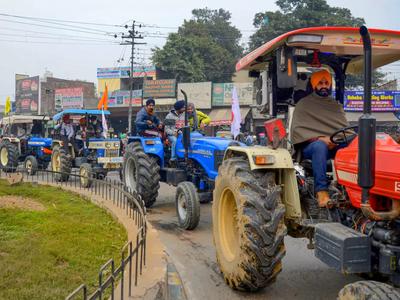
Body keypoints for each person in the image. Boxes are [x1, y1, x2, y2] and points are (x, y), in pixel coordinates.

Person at [291, 69, 353, 207]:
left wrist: (336, 141)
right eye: (320, 83)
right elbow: (299, 132)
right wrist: (320, 138)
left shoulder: (335, 105)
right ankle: (322, 192)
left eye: (326, 83)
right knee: (320, 146)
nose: (324, 86)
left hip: (335, 144)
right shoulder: (303, 104)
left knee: (354, 145)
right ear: (314, 85)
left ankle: (350, 189)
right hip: (311, 147)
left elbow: (344, 131)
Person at [165, 100, 186, 167]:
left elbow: (187, 125)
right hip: (172, 135)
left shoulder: (185, 115)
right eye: (183, 107)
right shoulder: (169, 116)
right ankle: (173, 159)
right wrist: (174, 133)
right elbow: (167, 129)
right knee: (175, 140)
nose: (184, 109)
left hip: (182, 134)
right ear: (179, 108)